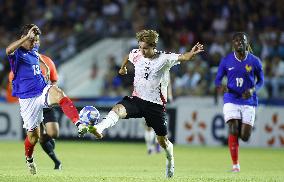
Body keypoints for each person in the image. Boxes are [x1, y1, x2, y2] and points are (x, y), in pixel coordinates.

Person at [88, 29, 204, 178]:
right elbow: (128, 56)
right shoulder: (137, 53)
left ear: (154, 46)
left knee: (162, 141)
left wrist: (192, 53)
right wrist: (122, 67)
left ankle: (170, 159)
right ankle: (99, 128)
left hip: (155, 106)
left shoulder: (164, 58)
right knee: (118, 109)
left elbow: (184, 57)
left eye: (146, 48)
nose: (142, 51)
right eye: (141, 47)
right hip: (137, 100)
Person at [6, 24, 88, 175]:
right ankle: (29, 158)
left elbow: (48, 74)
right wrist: (27, 37)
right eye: (32, 40)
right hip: (27, 99)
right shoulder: (17, 54)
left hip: (42, 91)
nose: (34, 42)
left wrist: (34, 35)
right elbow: (8, 50)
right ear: (23, 39)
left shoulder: (36, 53)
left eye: (36, 40)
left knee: (59, 93)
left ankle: (79, 123)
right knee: (33, 137)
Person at [215, 32, 264, 172]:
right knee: (233, 128)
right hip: (231, 99)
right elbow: (217, 79)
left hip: (248, 100)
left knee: (245, 136)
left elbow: (261, 81)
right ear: (233, 44)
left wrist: (253, 90)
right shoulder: (226, 60)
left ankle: (240, 129)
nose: (239, 43)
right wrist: (221, 86)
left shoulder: (255, 61)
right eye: (236, 41)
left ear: (247, 42)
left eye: (242, 40)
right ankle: (235, 165)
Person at [8, 54, 62, 170]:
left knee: (54, 133)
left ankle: (49, 142)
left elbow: (54, 81)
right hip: (31, 103)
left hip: (45, 101)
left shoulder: (47, 61)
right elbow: (13, 85)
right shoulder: (19, 64)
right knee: (38, 136)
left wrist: (50, 94)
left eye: (36, 41)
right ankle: (57, 162)